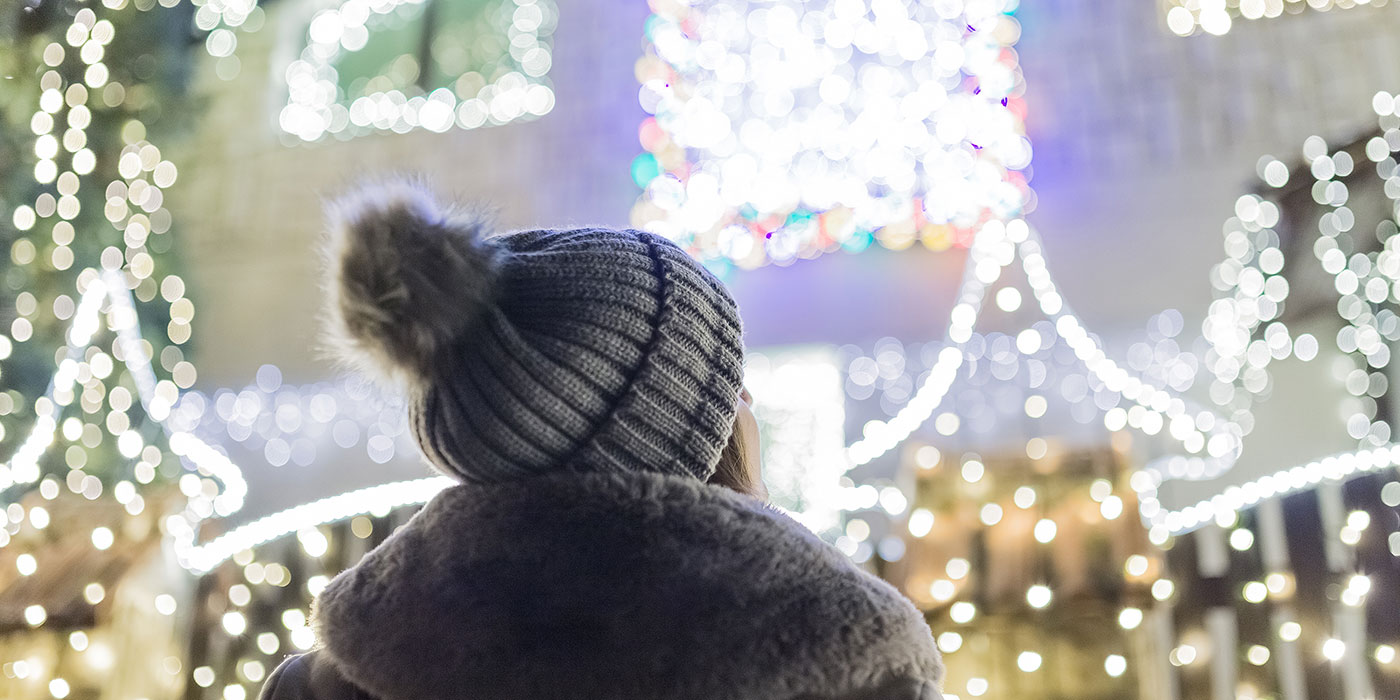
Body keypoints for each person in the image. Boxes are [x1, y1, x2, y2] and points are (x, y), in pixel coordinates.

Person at [259, 181, 943, 700]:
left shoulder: (319, 687)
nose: (749, 406)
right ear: (688, 440)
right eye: (730, 388)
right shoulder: (858, 669)